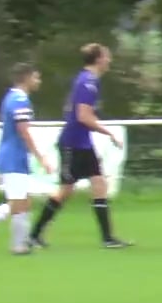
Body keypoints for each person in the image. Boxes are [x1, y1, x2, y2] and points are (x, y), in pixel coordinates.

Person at [30, 43, 129, 249]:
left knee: (99, 183)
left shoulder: (88, 80)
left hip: (82, 143)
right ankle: (34, 234)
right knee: (65, 190)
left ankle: (108, 238)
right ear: (99, 59)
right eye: (107, 56)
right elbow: (83, 116)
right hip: (72, 143)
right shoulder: (88, 82)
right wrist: (109, 132)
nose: (109, 60)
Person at [0, 64, 56, 256]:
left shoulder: (11, 97)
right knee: (18, 202)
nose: (38, 81)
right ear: (27, 78)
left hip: (13, 156)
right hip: (14, 157)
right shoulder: (20, 100)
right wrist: (41, 158)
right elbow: (23, 131)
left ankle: (14, 242)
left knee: (22, 202)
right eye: (36, 78)